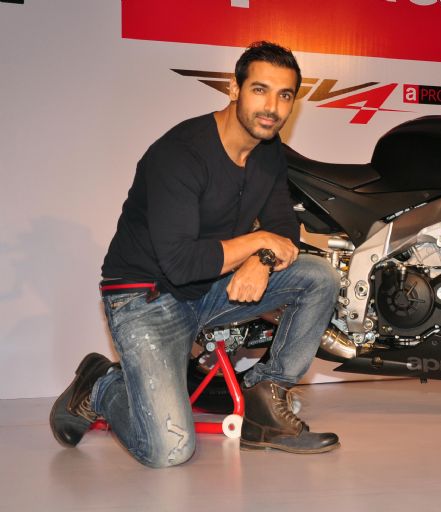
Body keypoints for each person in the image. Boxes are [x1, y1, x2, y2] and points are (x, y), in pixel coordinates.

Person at [49, 41, 342, 467]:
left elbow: (284, 232)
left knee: (318, 277)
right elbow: (181, 263)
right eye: (260, 90)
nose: (272, 107)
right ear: (234, 89)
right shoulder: (180, 153)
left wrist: (261, 262)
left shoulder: (269, 151)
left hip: (208, 289)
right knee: (169, 450)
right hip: (145, 298)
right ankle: (100, 385)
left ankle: (265, 402)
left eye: (285, 95)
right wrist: (257, 244)